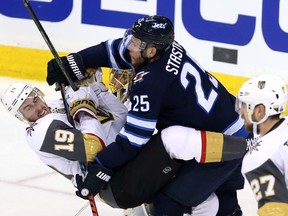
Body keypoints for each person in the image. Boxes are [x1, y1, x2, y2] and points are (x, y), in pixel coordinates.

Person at [46, 15, 249, 215]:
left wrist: (100, 166)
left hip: (220, 143)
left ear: (151, 51)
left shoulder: (151, 84)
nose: (129, 47)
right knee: (223, 200)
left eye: (135, 43)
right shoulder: (168, 48)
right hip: (232, 125)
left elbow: (133, 141)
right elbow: (116, 50)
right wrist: (75, 61)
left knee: (167, 201)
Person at [0, 77, 249, 216]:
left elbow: (119, 119)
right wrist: (82, 109)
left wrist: (94, 86)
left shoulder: (58, 102)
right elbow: (93, 148)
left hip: (129, 162)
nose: (36, 107)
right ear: (20, 117)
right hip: (113, 180)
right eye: (27, 108)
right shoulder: (40, 132)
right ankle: (250, 145)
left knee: (202, 203)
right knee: (174, 139)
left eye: (33, 98)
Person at [235, 74, 288, 216]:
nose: (241, 113)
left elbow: (277, 212)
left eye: (245, 107)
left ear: (260, 111)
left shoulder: (259, 156)